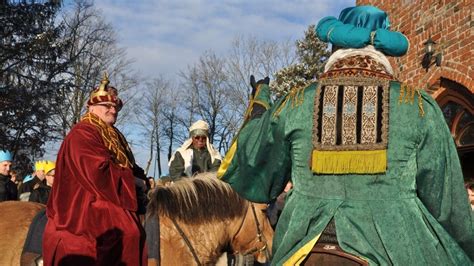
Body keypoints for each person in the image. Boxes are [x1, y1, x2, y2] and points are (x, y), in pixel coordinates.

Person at [218, 5, 473, 265]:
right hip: (395, 248)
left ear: (335, 48)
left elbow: (254, 167)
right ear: (386, 53)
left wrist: (260, 102)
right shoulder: (417, 106)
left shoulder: (294, 104)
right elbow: (448, 207)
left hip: (303, 242)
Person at [43, 73, 147, 265]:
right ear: (91, 107)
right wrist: (132, 181)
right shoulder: (83, 132)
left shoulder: (115, 135)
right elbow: (97, 172)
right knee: (128, 232)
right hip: (86, 202)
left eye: (115, 106)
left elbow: (130, 166)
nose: (112, 109)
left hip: (107, 194)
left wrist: (146, 181)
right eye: (106, 105)